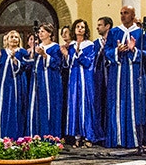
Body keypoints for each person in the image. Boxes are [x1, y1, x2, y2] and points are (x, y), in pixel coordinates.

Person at [104, 6, 146, 148]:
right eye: (121, 13)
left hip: (134, 73)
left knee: (134, 104)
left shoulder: (141, 33)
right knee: (117, 104)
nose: (123, 16)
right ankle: (117, 139)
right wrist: (116, 51)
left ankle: (134, 140)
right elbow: (106, 51)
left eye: (126, 13)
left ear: (133, 15)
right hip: (117, 73)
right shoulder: (114, 32)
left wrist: (133, 50)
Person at [0, 30, 29, 139]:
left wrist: (14, 60)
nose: (14, 39)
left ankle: (16, 137)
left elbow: (25, 66)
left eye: (16, 37)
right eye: (12, 37)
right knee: (2, 108)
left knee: (16, 108)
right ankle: (1, 136)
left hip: (17, 84)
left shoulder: (22, 52)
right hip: (2, 85)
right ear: (6, 39)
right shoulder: (2, 52)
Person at [65, 19, 98, 147]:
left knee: (86, 104)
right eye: (77, 26)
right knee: (75, 104)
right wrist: (67, 56)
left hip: (86, 77)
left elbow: (89, 62)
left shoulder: (89, 45)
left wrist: (79, 53)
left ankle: (88, 135)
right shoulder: (71, 45)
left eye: (82, 27)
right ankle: (77, 136)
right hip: (74, 77)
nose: (80, 29)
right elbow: (69, 63)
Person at [27, 23, 63, 137]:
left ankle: (49, 136)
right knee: (37, 106)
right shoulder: (37, 47)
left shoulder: (55, 47)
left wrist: (44, 55)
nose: (40, 33)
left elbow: (57, 64)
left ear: (50, 33)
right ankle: (35, 135)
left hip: (50, 80)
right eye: (39, 31)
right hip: (37, 79)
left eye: (43, 31)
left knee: (49, 106)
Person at [92, 16, 112, 142]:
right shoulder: (96, 43)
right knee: (99, 104)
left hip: (111, 76)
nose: (97, 27)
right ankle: (100, 134)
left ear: (107, 26)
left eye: (100, 25)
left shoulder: (113, 40)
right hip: (99, 77)